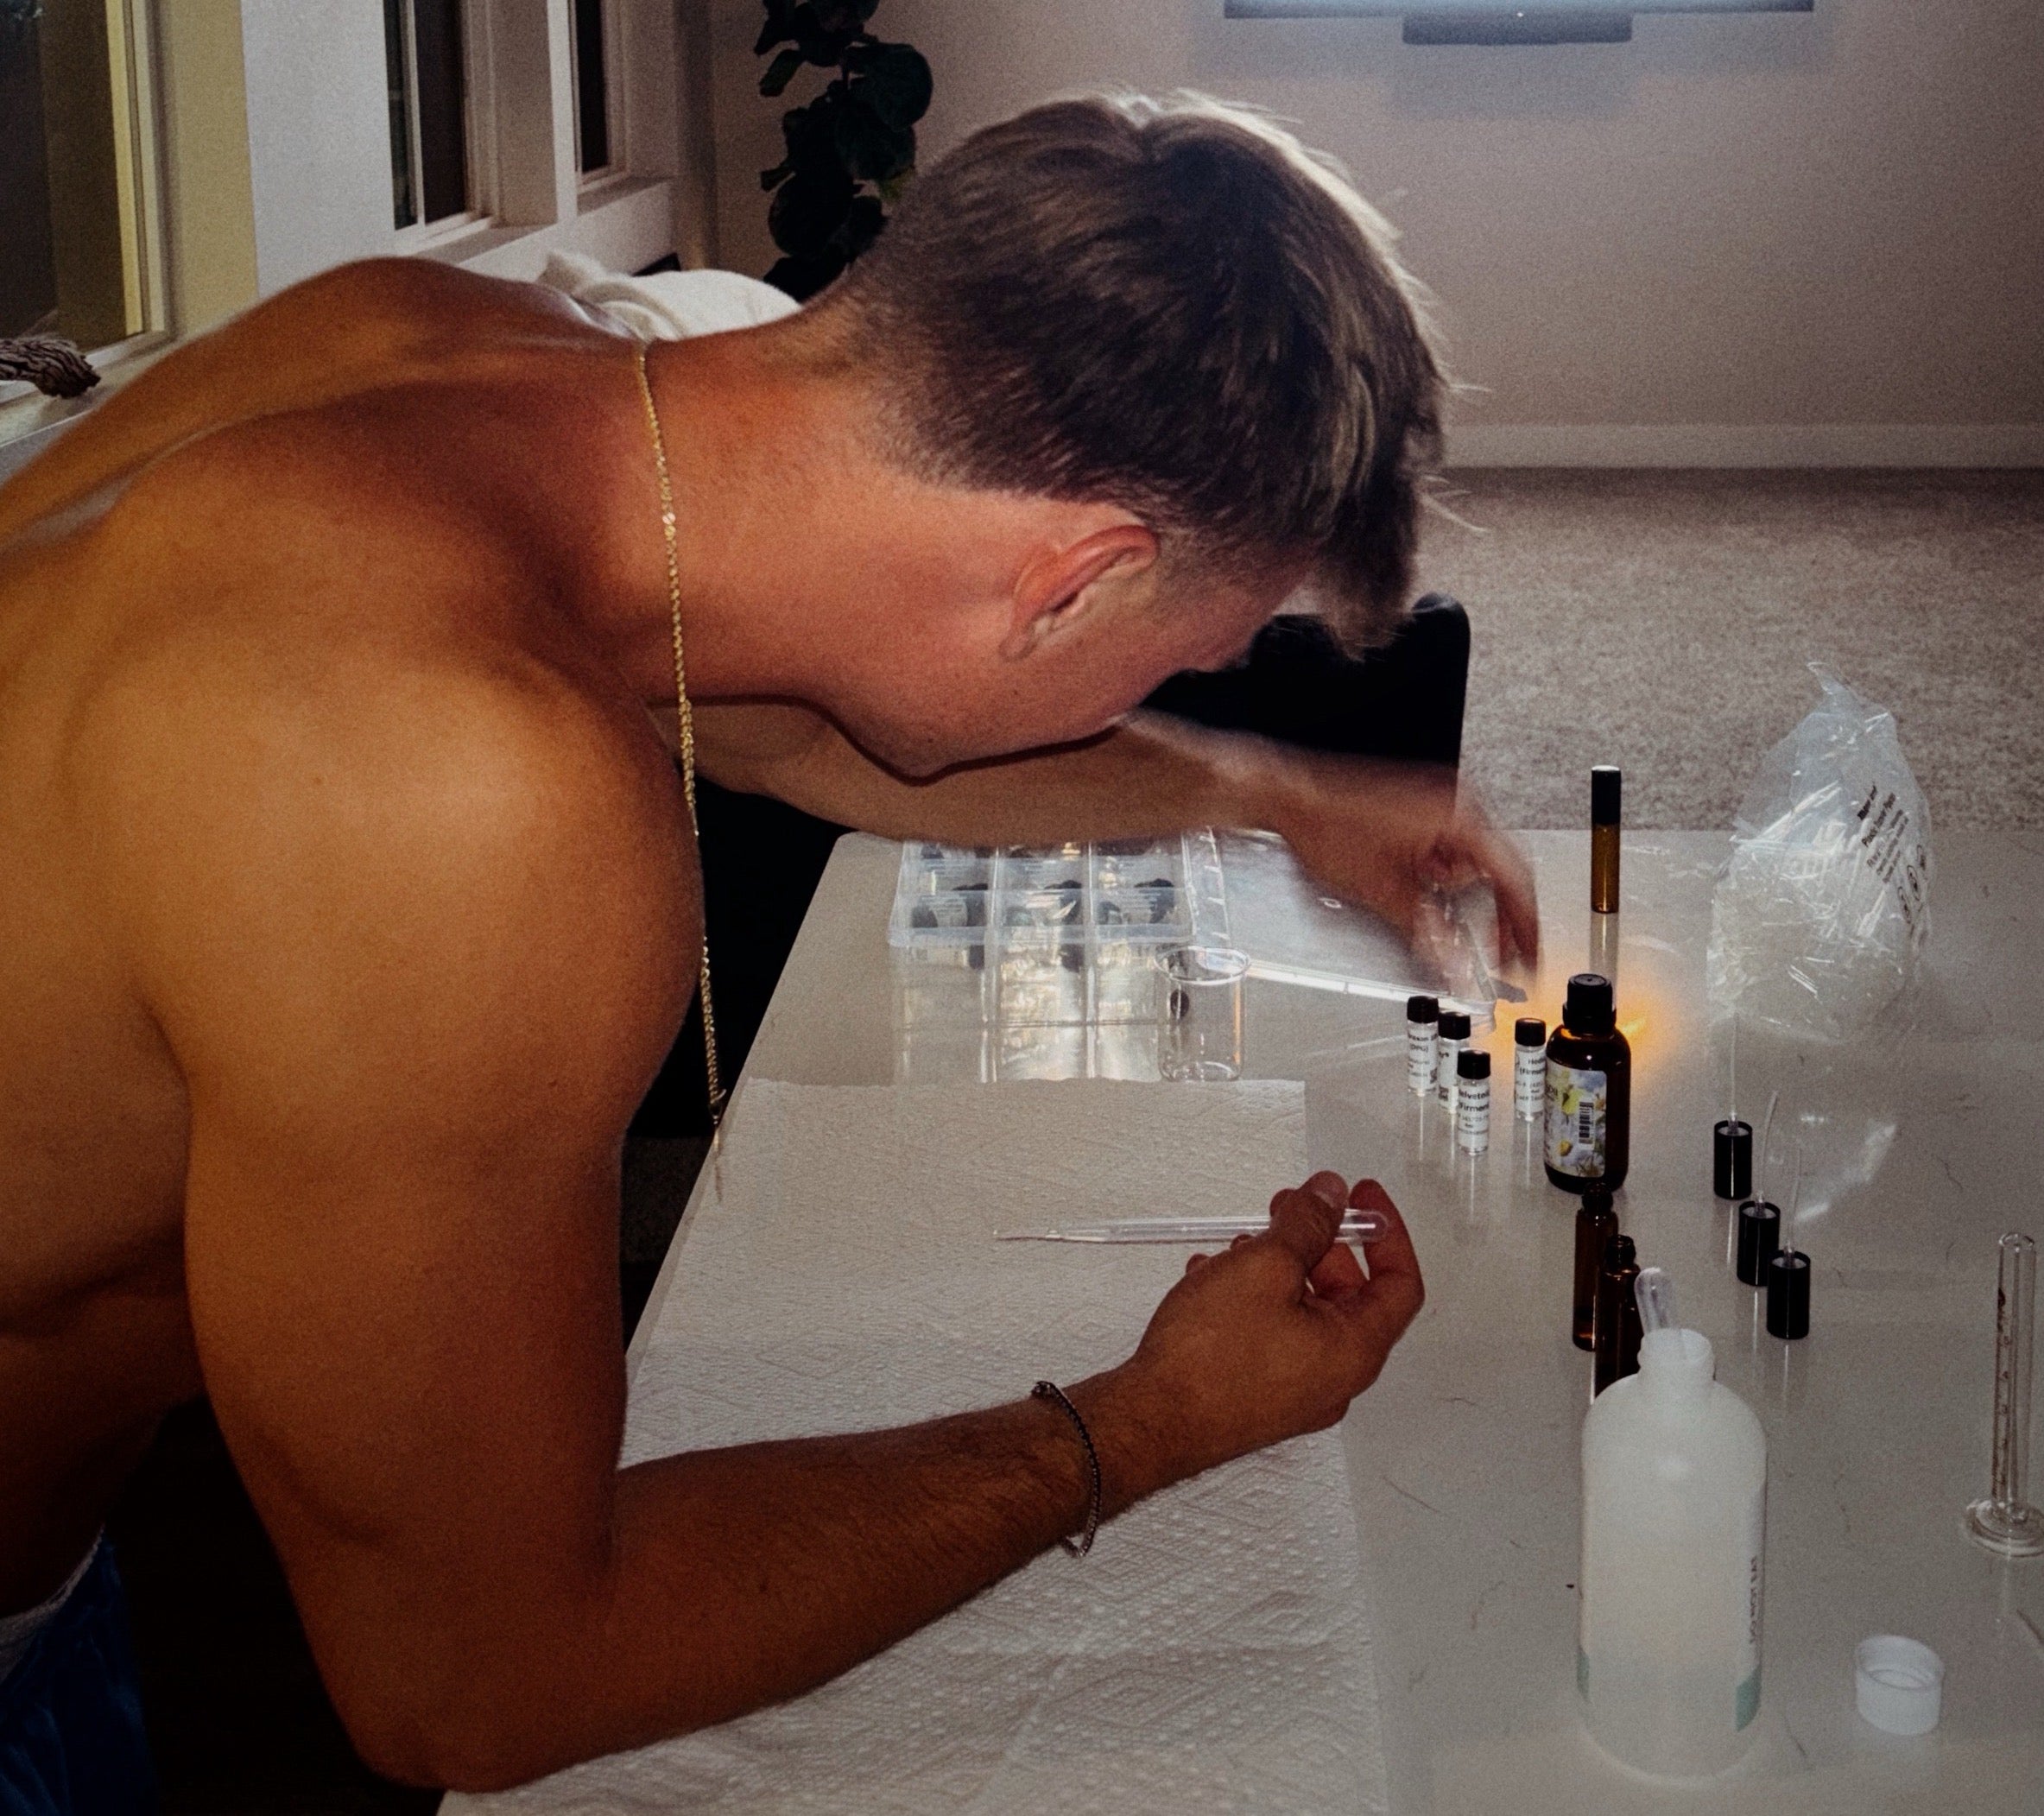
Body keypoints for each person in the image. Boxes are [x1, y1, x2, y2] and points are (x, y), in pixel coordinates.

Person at [0, 92, 1534, 1798]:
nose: (1167, 689)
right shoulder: (453, 793)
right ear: (1066, 582)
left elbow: (790, 720)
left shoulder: (443, 351)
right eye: (1190, 648)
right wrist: (1142, 1417)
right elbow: (473, 1678)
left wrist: (1274, 793)